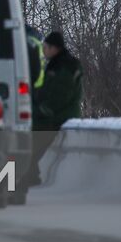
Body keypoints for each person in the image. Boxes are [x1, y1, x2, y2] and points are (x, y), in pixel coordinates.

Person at [29, 30, 85, 185]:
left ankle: (29, 176)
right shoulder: (56, 64)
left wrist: (43, 109)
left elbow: (60, 95)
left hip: (59, 115)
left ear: (54, 48)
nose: (44, 50)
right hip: (52, 113)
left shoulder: (65, 66)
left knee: (32, 140)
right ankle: (30, 175)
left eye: (46, 47)